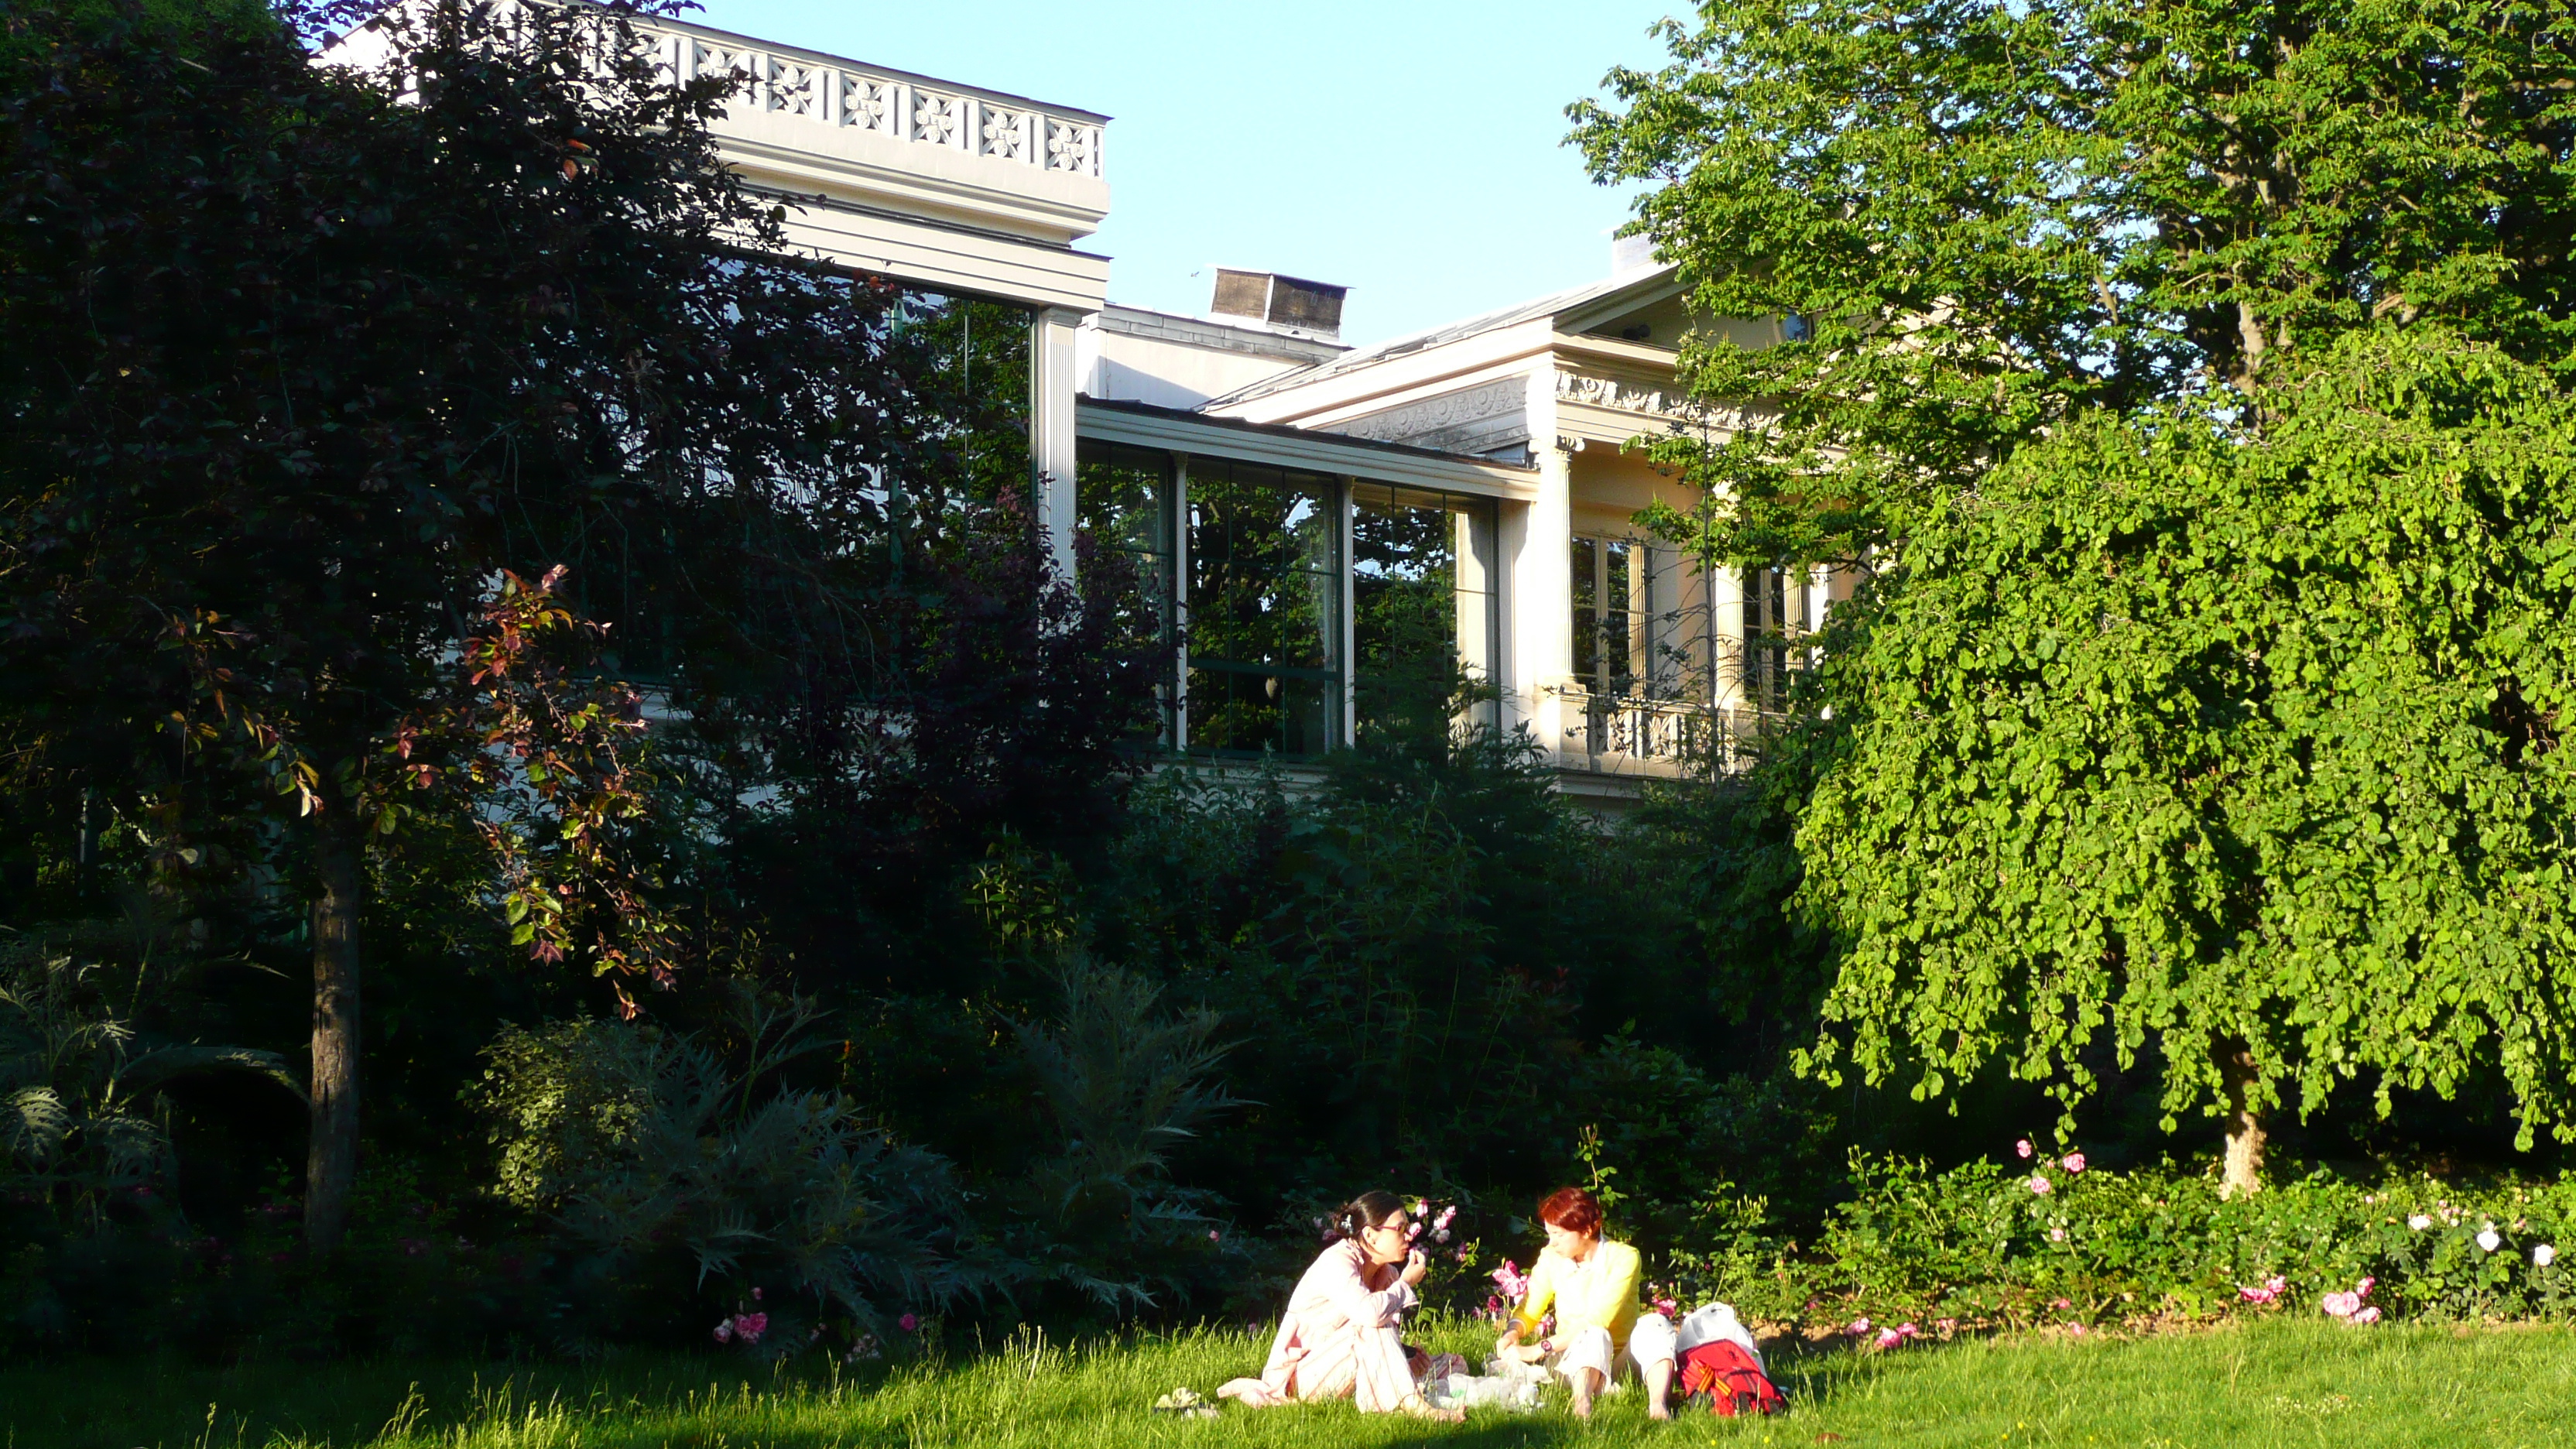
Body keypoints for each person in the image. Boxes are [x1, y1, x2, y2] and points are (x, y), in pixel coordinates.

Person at [1217, 1191, 1465, 1422]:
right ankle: (1415, 1406)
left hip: (1347, 1363)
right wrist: (1406, 1284)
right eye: (1400, 1229)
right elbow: (1370, 1315)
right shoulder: (1337, 1262)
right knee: (1371, 1323)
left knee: (1454, 1364)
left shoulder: (1386, 1273)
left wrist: (1407, 1358)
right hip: (1301, 1378)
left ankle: (1410, 1388)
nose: (1409, 1236)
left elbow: (1382, 1341)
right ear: (1370, 1235)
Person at [1495, 1186, 1677, 1420]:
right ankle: (1582, 1402)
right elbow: (1530, 1309)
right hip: (1574, 1361)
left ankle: (1658, 1406)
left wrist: (1537, 1349)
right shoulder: (1551, 1257)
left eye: (1559, 1235)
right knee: (1592, 1335)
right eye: (1549, 1234)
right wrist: (1513, 1332)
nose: (1553, 1243)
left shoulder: (1624, 1257)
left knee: (1655, 1322)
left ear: (1588, 1230)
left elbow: (1598, 1318)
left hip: (1620, 1362)